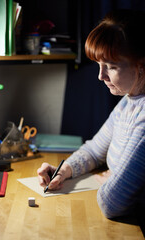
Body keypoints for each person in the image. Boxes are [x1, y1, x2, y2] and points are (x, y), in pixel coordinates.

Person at [37, 9, 145, 223]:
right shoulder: (129, 100)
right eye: (99, 65)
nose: (100, 76)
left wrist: (110, 179)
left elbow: (112, 203)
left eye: (111, 67)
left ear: (141, 65)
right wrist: (64, 170)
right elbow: (94, 150)